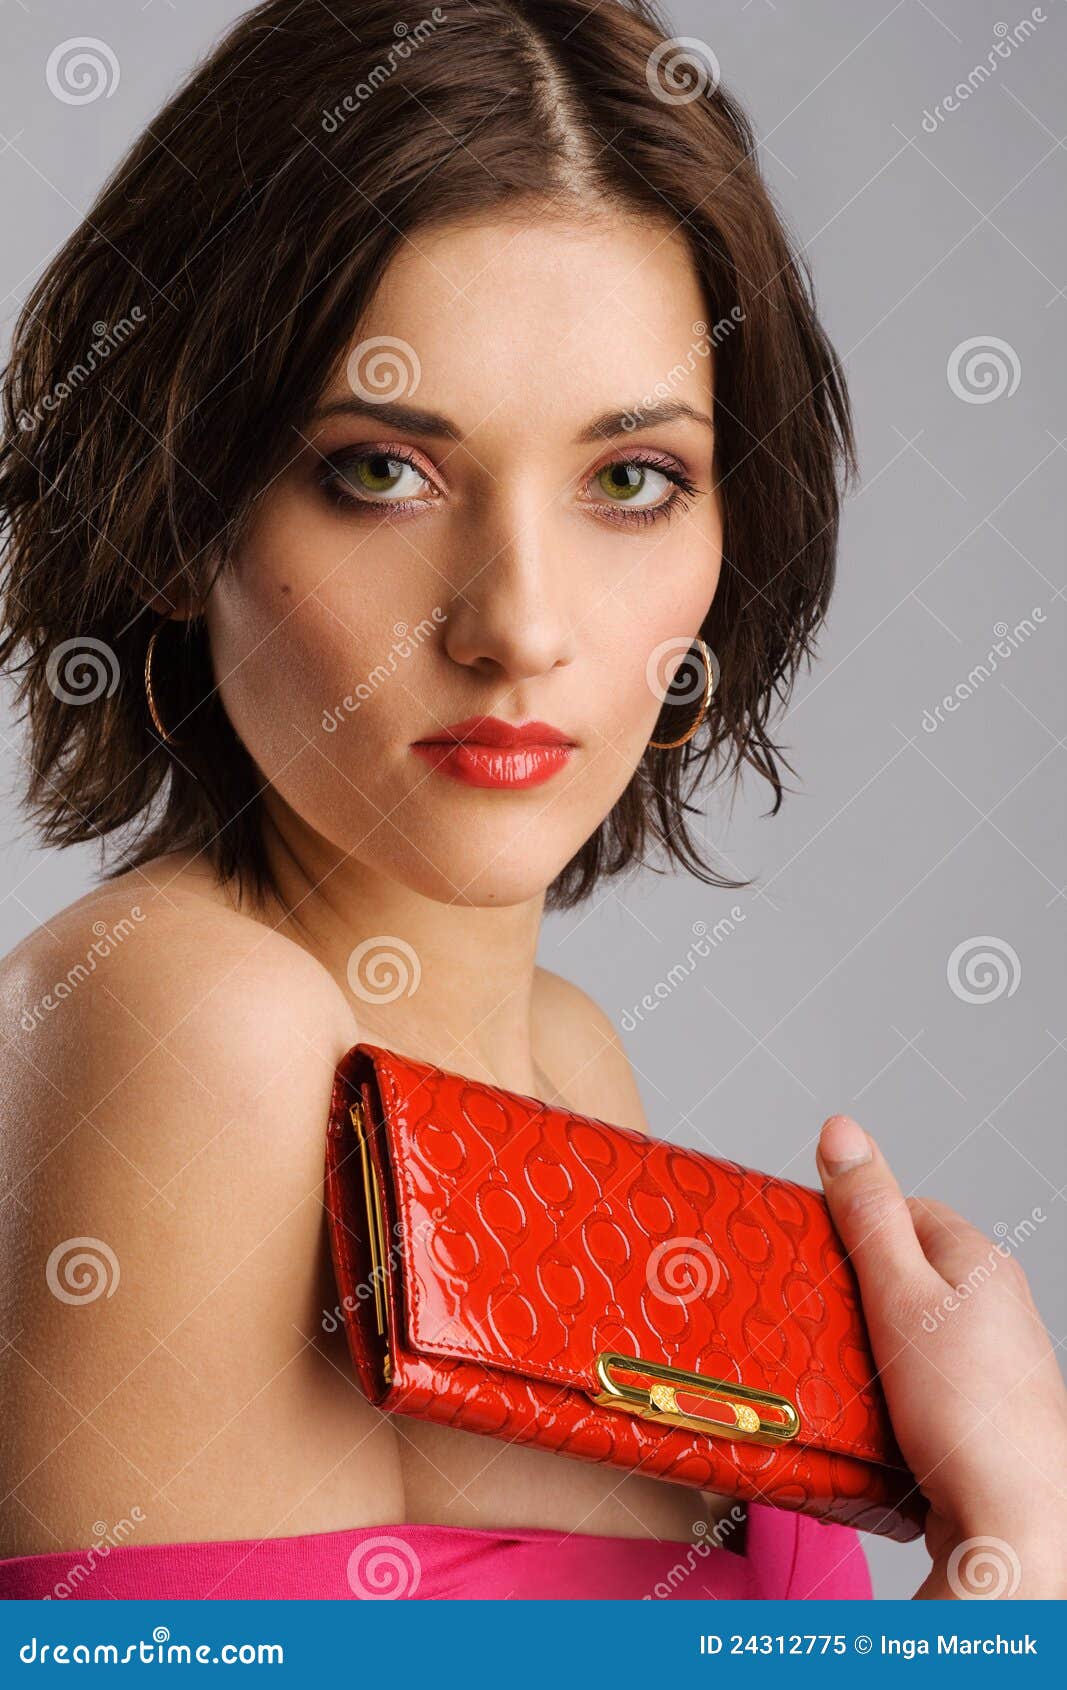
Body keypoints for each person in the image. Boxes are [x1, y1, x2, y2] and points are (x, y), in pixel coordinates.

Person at [0, 0, 1063, 1601]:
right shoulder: (192, 1031)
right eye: (381, 468)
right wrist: (1014, 1561)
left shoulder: (566, 1055)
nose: (520, 621)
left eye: (630, 478)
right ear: (173, 512)